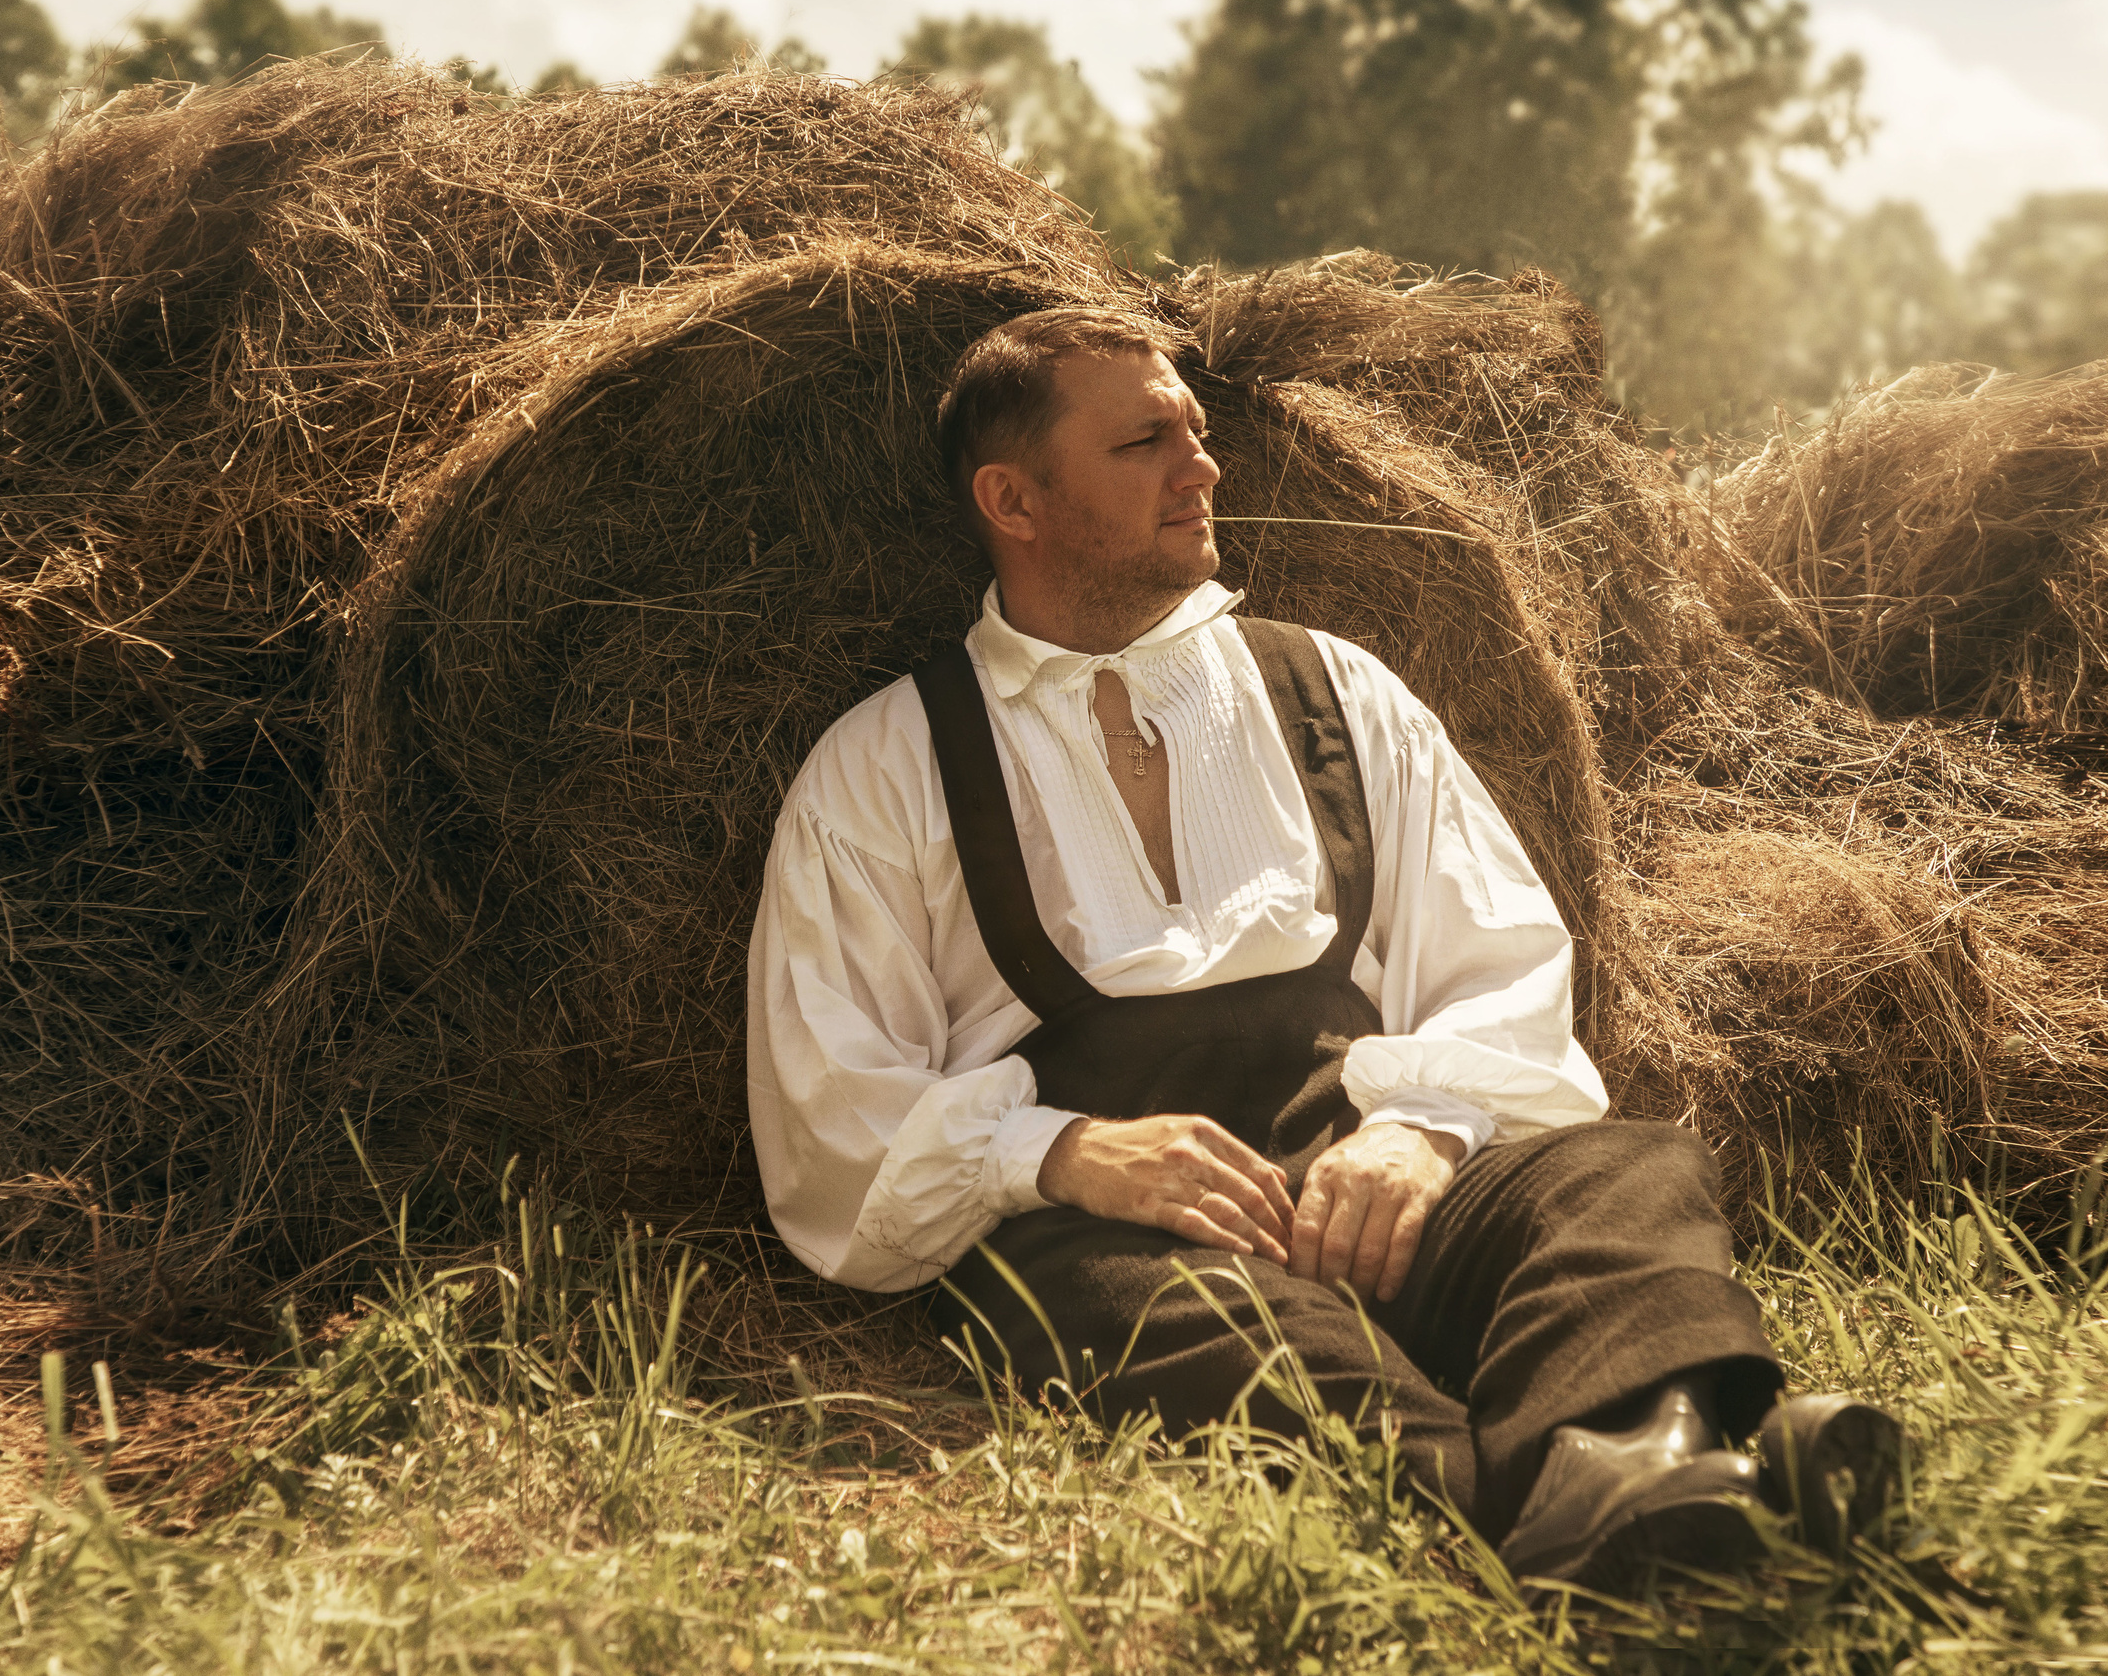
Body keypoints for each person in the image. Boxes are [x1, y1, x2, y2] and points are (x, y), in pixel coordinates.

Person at [746, 306, 1902, 1595]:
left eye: (1195, 431)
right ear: (1013, 500)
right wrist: (1062, 1154)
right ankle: (1659, 1474)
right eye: (1143, 443)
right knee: (1211, 1331)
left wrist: (1417, 1132)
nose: (1202, 466)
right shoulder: (884, 766)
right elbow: (833, 1109)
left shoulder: (1337, 693)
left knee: (1620, 1174)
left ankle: (1640, 1489)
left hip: (1359, 1164)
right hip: (1105, 1230)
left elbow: (1500, 955)